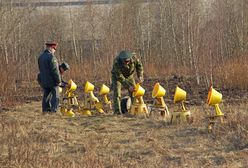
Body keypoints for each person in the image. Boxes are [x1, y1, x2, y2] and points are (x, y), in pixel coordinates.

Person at [111, 50, 144, 115]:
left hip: (129, 76)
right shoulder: (116, 62)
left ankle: (134, 109)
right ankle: (117, 112)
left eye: (128, 61)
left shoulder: (134, 58)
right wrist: (128, 86)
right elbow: (120, 77)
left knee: (134, 92)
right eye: (125, 61)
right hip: (117, 77)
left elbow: (139, 66)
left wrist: (140, 76)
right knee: (117, 93)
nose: (127, 63)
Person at [38, 42, 61, 113]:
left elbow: (40, 69)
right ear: (51, 48)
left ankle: (45, 111)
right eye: (54, 49)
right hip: (52, 81)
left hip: (44, 80)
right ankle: (54, 111)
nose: (54, 51)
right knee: (56, 96)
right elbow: (55, 71)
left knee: (46, 96)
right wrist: (58, 80)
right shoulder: (51, 57)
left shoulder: (40, 57)